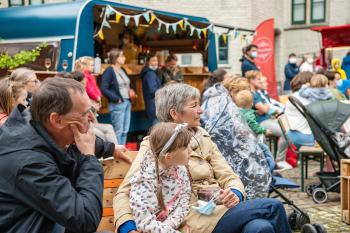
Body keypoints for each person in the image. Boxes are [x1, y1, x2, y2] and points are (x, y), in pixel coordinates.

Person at [113, 83, 291, 233]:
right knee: (273, 207)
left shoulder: (202, 136)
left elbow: (229, 176)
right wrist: (127, 228)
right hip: (193, 218)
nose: (200, 111)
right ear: (174, 114)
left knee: (261, 228)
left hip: (221, 209)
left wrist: (234, 193)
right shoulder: (156, 144)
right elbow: (124, 192)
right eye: (194, 106)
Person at [0, 78, 112, 233]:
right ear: (56, 120)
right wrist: (89, 157)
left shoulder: (35, 122)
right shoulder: (28, 163)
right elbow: (85, 220)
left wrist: (111, 148)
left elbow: (76, 141)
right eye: (86, 113)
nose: (92, 118)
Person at [202, 77, 272, 198]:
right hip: (230, 154)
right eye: (242, 92)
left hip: (232, 150)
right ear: (233, 93)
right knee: (264, 155)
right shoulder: (226, 108)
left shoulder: (228, 106)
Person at [129, 122, 192, 233]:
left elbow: (184, 201)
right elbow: (145, 223)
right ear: (168, 157)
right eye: (185, 147)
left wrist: (171, 224)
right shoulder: (144, 180)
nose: (190, 150)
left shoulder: (180, 170)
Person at [67, 71, 131, 163]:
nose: (85, 86)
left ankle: (116, 153)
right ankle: (106, 160)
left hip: (89, 123)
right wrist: (92, 110)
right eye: (83, 84)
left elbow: (90, 115)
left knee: (109, 127)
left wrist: (93, 112)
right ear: (77, 83)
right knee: (100, 135)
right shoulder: (75, 96)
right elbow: (85, 114)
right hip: (83, 125)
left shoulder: (82, 93)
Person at [246, 70, 289, 170]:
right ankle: (279, 160)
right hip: (261, 122)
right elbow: (265, 109)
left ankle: (279, 160)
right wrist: (265, 108)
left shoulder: (257, 93)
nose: (261, 81)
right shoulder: (252, 94)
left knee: (288, 127)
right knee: (286, 132)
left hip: (267, 119)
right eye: (258, 79)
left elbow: (266, 107)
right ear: (251, 80)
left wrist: (265, 108)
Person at [235, 90, 275, 171]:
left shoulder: (236, 112)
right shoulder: (249, 115)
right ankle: (271, 167)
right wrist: (264, 131)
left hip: (241, 140)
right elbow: (254, 126)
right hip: (251, 140)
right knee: (265, 150)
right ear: (251, 103)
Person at [101, 48, 132, 145]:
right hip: (117, 104)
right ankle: (118, 154)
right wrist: (116, 99)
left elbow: (126, 84)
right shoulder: (109, 71)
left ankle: (123, 152)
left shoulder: (122, 70)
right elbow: (104, 88)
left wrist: (131, 91)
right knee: (118, 131)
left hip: (127, 102)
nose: (124, 58)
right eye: (122, 56)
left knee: (125, 130)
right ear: (115, 58)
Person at [284, 71, 315, 148]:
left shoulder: (296, 95)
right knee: (332, 141)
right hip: (303, 136)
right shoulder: (303, 97)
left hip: (295, 134)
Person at [141, 52, 161, 125]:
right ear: (148, 62)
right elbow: (152, 90)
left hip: (151, 104)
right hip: (154, 105)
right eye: (153, 60)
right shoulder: (150, 74)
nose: (156, 63)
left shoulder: (150, 72)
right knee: (157, 128)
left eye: (156, 60)